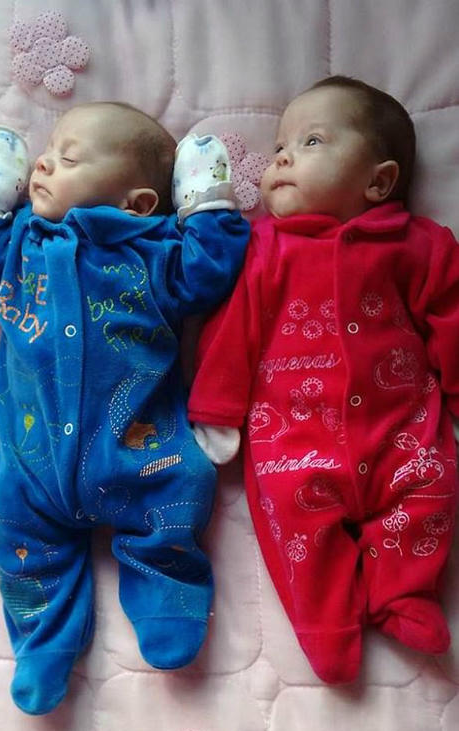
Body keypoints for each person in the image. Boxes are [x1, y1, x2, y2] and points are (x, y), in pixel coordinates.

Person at [0, 102, 250, 714]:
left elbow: (213, 268)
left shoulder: (156, 255)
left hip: (140, 455)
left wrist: (205, 202)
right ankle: (44, 642)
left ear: (137, 203)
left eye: (68, 158)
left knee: (186, 486)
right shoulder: (18, 248)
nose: (43, 164)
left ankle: (166, 593)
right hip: (31, 465)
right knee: (14, 534)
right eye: (45, 153)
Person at [188, 76, 459, 684]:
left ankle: (404, 592)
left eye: (311, 142)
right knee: (294, 520)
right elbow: (232, 331)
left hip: (400, 429)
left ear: (378, 182)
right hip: (294, 436)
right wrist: (215, 409)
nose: (283, 157)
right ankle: (326, 624)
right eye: (280, 147)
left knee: (431, 488)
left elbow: (452, 319)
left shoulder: (420, 246)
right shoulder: (266, 247)